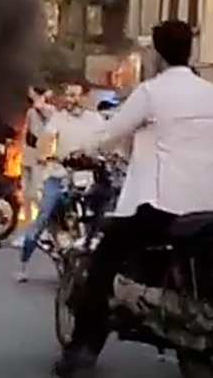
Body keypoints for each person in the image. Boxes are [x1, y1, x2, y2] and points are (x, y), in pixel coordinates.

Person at [53, 20, 213, 376]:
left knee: (102, 264)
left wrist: (78, 150)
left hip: (161, 208)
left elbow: (110, 133)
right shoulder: (209, 92)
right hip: (206, 208)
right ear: (190, 50)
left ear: (156, 53)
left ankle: (82, 351)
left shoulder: (151, 93)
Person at [16, 81, 103, 283]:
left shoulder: (95, 119)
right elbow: (46, 139)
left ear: (85, 97)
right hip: (60, 174)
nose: (71, 99)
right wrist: (44, 154)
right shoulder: (58, 118)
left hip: (88, 176)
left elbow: (106, 139)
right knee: (42, 216)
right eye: (68, 95)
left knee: (103, 216)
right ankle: (23, 266)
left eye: (75, 95)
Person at [13, 87, 54, 248]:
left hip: (41, 157)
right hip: (29, 156)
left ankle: (43, 230)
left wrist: (42, 98)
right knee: (27, 197)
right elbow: (27, 133)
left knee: (38, 196)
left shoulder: (50, 111)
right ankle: (25, 232)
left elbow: (48, 129)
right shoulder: (31, 112)